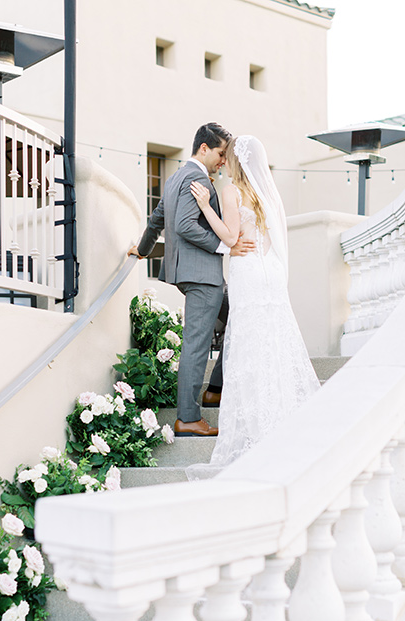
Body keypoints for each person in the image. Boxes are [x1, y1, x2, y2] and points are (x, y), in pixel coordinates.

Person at [186, 135, 320, 477]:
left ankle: (258, 428)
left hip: (247, 271)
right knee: (275, 345)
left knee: (248, 348)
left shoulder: (230, 191)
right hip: (271, 273)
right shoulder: (267, 192)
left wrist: (204, 206)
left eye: (226, 157)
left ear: (234, 161)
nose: (223, 162)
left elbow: (231, 237)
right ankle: (285, 422)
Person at [128, 123, 255, 437]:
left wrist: (142, 250)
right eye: (221, 154)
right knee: (197, 346)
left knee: (242, 318)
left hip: (192, 273)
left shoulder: (175, 178)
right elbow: (184, 226)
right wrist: (226, 245)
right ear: (204, 148)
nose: (224, 161)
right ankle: (187, 417)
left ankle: (215, 389)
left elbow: (157, 217)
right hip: (202, 276)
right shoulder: (197, 177)